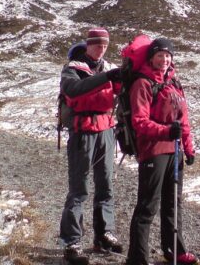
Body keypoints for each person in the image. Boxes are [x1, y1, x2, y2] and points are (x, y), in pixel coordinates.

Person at [125, 37, 198, 265]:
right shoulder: (143, 84)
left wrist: (189, 148)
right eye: (160, 55)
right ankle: (137, 258)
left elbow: (183, 121)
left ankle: (174, 250)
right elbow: (139, 121)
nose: (165, 59)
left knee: (172, 204)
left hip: (174, 152)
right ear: (151, 58)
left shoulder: (175, 83)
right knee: (147, 206)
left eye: (168, 56)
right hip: (153, 151)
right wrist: (166, 132)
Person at [58, 27, 123, 265]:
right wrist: (108, 77)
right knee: (79, 189)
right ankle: (71, 242)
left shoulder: (108, 68)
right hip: (83, 133)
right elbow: (74, 90)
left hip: (106, 131)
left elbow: (121, 94)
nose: (101, 48)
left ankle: (104, 234)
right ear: (88, 44)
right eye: (97, 44)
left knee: (105, 185)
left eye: (105, 45)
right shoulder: (72, 68)